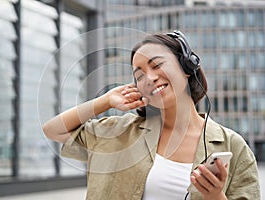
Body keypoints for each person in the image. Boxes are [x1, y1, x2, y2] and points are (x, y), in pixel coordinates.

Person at [42, 30, 260, 200]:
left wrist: (215, 196)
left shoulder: (233, 146)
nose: (150, 78)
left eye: (157, 65)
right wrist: (104, 101)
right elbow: (53, 129)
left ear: (187, 67)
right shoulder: (120, 131)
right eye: (140, 75)